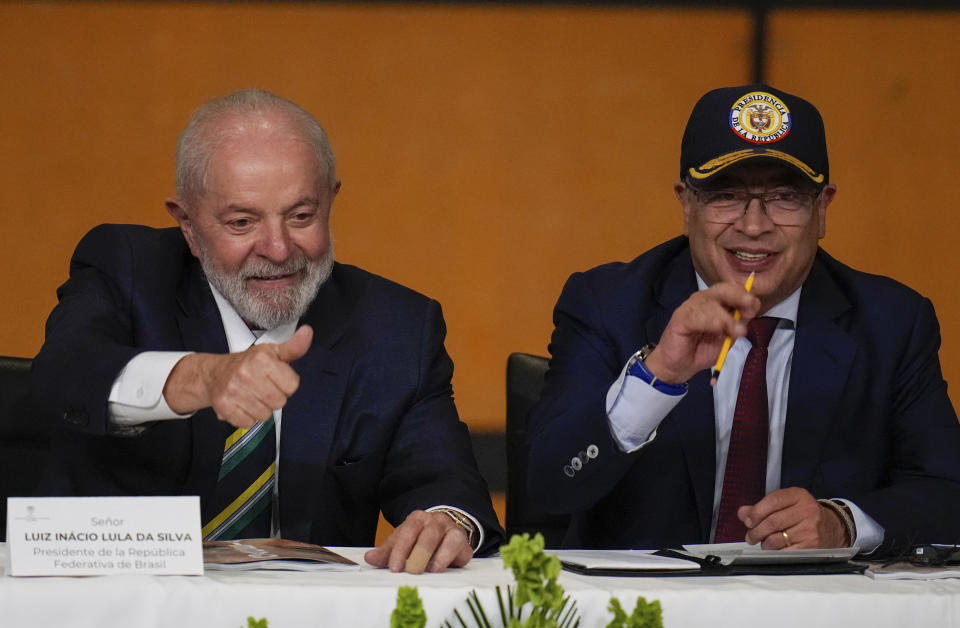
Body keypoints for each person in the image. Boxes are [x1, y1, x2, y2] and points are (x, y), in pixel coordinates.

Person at [32, 88, 503, 573]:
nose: (278, 249)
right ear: (188, 225)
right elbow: (63, 375)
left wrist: (447, 521)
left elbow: (446, 482)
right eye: (242, 222)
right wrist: (202, 378)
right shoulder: (128, 268)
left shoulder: (396, 325)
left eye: (302, 216)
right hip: (122, 607)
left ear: (331, 200)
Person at [526, 84, 960, 555]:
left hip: (817, 613)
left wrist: (843, 524)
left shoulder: (892, 322)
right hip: (652, 610)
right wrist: (658, 375)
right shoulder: (608, 303)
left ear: (823, 208)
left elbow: (947, 493)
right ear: (686, 203)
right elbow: (551, 488)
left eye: (785, 197)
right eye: (725, 196)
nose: (754, 225)